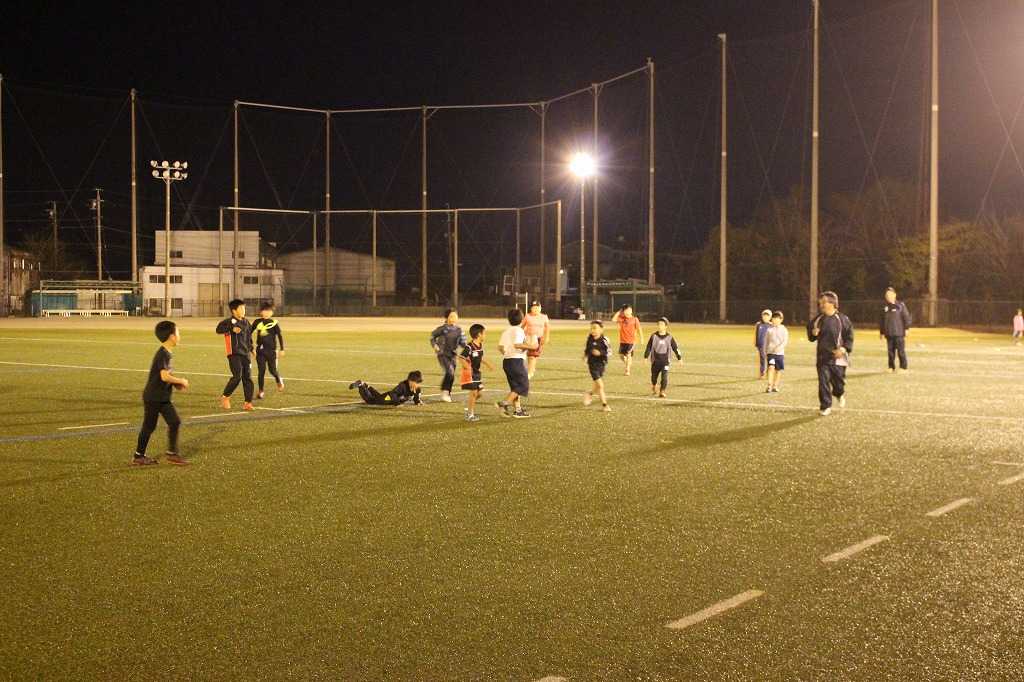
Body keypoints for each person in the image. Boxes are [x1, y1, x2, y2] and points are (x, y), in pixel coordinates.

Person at [133, 320, 190, 466]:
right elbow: (164, 376)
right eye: (178, 332)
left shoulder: (166, 353)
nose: (179, 335)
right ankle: (139, 456)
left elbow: (165, 376)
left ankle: (172, 453)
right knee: (149, 426)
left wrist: (175, 384)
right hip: (153, 397)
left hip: (162, 397)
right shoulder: (163, 354)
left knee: (175, 421)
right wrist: (181, 381)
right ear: (171, 336)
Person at [807, 291, 854, 416]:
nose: (821, 304)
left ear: (833, 303)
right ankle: (825, 406)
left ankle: (839, 393)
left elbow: (849, 337)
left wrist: (843, 349)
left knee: (838, 383)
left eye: (824, 302)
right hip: (823, 357)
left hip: (839, 357)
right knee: (823, 381)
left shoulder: (843, 319)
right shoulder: (818, 319)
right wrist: (813, 333)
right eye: (820, 302)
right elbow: (811, 336)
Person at [497, 308, 538, 418]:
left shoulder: (506, 331)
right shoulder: (519, 331)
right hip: (516, 361)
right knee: (523, 385)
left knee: (515, 387)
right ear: (521, 319)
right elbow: (517, 345)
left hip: (506, 361)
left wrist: (507, 353)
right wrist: (532, 346)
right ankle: (504, 403)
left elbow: (500, 347)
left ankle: (518, 410)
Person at [216, 298, 255, 411]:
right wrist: (232, 329)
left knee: (247, 377)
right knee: (237, 376)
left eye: (244, 308)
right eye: (241, 308)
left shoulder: (246, 322)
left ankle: (248, 403)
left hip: (245, 354)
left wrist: (252, 349)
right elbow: (218, 329)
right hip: (234, 353)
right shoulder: (229, 321)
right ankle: (225, 397)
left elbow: (249, 337)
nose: (243, 310)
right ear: (234, 311)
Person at [458, 323, 494, 422]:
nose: (485, 335)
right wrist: (467, 366)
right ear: (479, 334)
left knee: (479, 394)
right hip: (470, 374)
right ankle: (470, 415)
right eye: (484, 333)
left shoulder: (480, 345)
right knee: (474, 393)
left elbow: (479, 357)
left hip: (477, 374)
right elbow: (461, 358)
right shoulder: (469, 347)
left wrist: (487, 364)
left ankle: (469, 405)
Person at [430, 309, 466, 403]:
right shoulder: (443, 329)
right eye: (451, 316)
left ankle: (447, 392)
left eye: (455, 316)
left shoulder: (459, 330)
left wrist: (469, 347)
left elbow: (463, 343)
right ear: (447, 318)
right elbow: (432, 336)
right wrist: (435, 345)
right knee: (450, 372)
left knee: (452, 375)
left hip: (453, 355)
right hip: (443, 354)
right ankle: (444, 392)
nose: (453, 318)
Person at [252, 301, 285, 399]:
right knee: (261, 371)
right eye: (265, 310)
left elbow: (279, 336)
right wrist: (251, 347)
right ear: (261, 312)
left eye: (269, 311)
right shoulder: (257, 322)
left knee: (272, 370)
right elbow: (248, 333)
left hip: (271, 351)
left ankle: (278, 379)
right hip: (260, 351)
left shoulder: (274, 323)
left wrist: (282, 349)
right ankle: (261, 391)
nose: (267, 313)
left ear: (272, 313)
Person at [643, 317, 682, 398]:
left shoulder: (669, 337)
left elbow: (675, 348)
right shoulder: (653, 336)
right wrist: (645, 357)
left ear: (666, 326)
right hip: (655, 361)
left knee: (664, 377)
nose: (660, 326)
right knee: (654, 378)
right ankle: (654, 385)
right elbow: (648, 347)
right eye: (659, 324)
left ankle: (662, 391)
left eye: (662, 324)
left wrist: (679, 358)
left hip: (665, 361)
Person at [879, 287, 912, 373]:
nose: (888, 297)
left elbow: (906, 317)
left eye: (890, 295)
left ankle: (903, 367)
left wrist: (907, 328)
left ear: (894, 295)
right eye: (887, 295)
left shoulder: (900, 305)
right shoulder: (885, 307)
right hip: (889, 333)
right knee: (890, 352)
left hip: (899, 333)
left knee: (901, 351)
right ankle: (891, 367)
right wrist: (881, 332)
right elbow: (882, 320)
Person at [582, 320, 612, 412]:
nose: (592, 330)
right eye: (591, 328)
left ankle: (589, 394)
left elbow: (609, 352)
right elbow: (587, 349)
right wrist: (585, 356)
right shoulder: (590, 339)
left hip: (601, 364)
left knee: (596, 385)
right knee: (600, 385)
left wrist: (600, 353)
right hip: (592, 365)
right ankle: (605, 405)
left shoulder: (605, 340)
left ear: (601, 329)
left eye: (595, 328)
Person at [348, 371, 423, 406]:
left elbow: (416, 397)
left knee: (378, 397)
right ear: (410, 380)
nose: (417, 385)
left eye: (418, 383)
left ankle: (366, 386)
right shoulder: (403, 385)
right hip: (389, 398)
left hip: (390, 400)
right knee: (371, 401)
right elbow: (393, 393)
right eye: (415, 382)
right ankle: (361, 385)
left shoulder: (417, 389)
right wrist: (397, 403)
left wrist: (417, 402)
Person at [611, 304, 644, 376]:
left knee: (628, 355)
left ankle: (627, 370)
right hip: (622, 341)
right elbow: (613, 320)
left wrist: (641, 338)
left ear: (631, 311)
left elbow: (639, 329)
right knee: (621, 356)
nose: (627, 312)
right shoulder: (622, 319)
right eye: (625, 310)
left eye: (628, 310)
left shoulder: (635, 319)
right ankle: (628, 364)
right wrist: (619, 312)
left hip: (631, 341)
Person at [521, 301, 551, 379]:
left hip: (539, 339)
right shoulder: (527, 316)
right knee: (531, 356)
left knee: (533, 356)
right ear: (531, 308)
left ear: (540, 308)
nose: (536, 309)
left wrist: (546, 337)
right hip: (529, 338)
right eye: (534, 307)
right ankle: (531, 371)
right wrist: (520, 336)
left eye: (537, 307)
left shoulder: (544, 317)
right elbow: (522, 327)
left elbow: (547, 328)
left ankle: (530, 372)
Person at [764, 310, 789, 393]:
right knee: (771, 367)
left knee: (778, 370)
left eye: (777, 318)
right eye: (774, 318)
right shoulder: (769, 330)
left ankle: (775, 385)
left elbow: (785, 341)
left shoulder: (784, 329)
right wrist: (765, 351)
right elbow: (766, 341)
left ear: (781, 320)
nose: (775, 320)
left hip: (780, 353)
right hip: (771, 353)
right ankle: (769, 385)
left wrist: (779, 348)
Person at [754, 309, 772, 378]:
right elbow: (756, 334)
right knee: (762, 359)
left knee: (769, 359)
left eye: (767, 316)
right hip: (761, 345)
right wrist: (756, 342)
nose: (765, 317)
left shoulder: (771, 325)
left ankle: (768, 373)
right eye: (764, 316)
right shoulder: (758, 324)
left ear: (770, 317)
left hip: (769, 345)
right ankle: (762, 373)